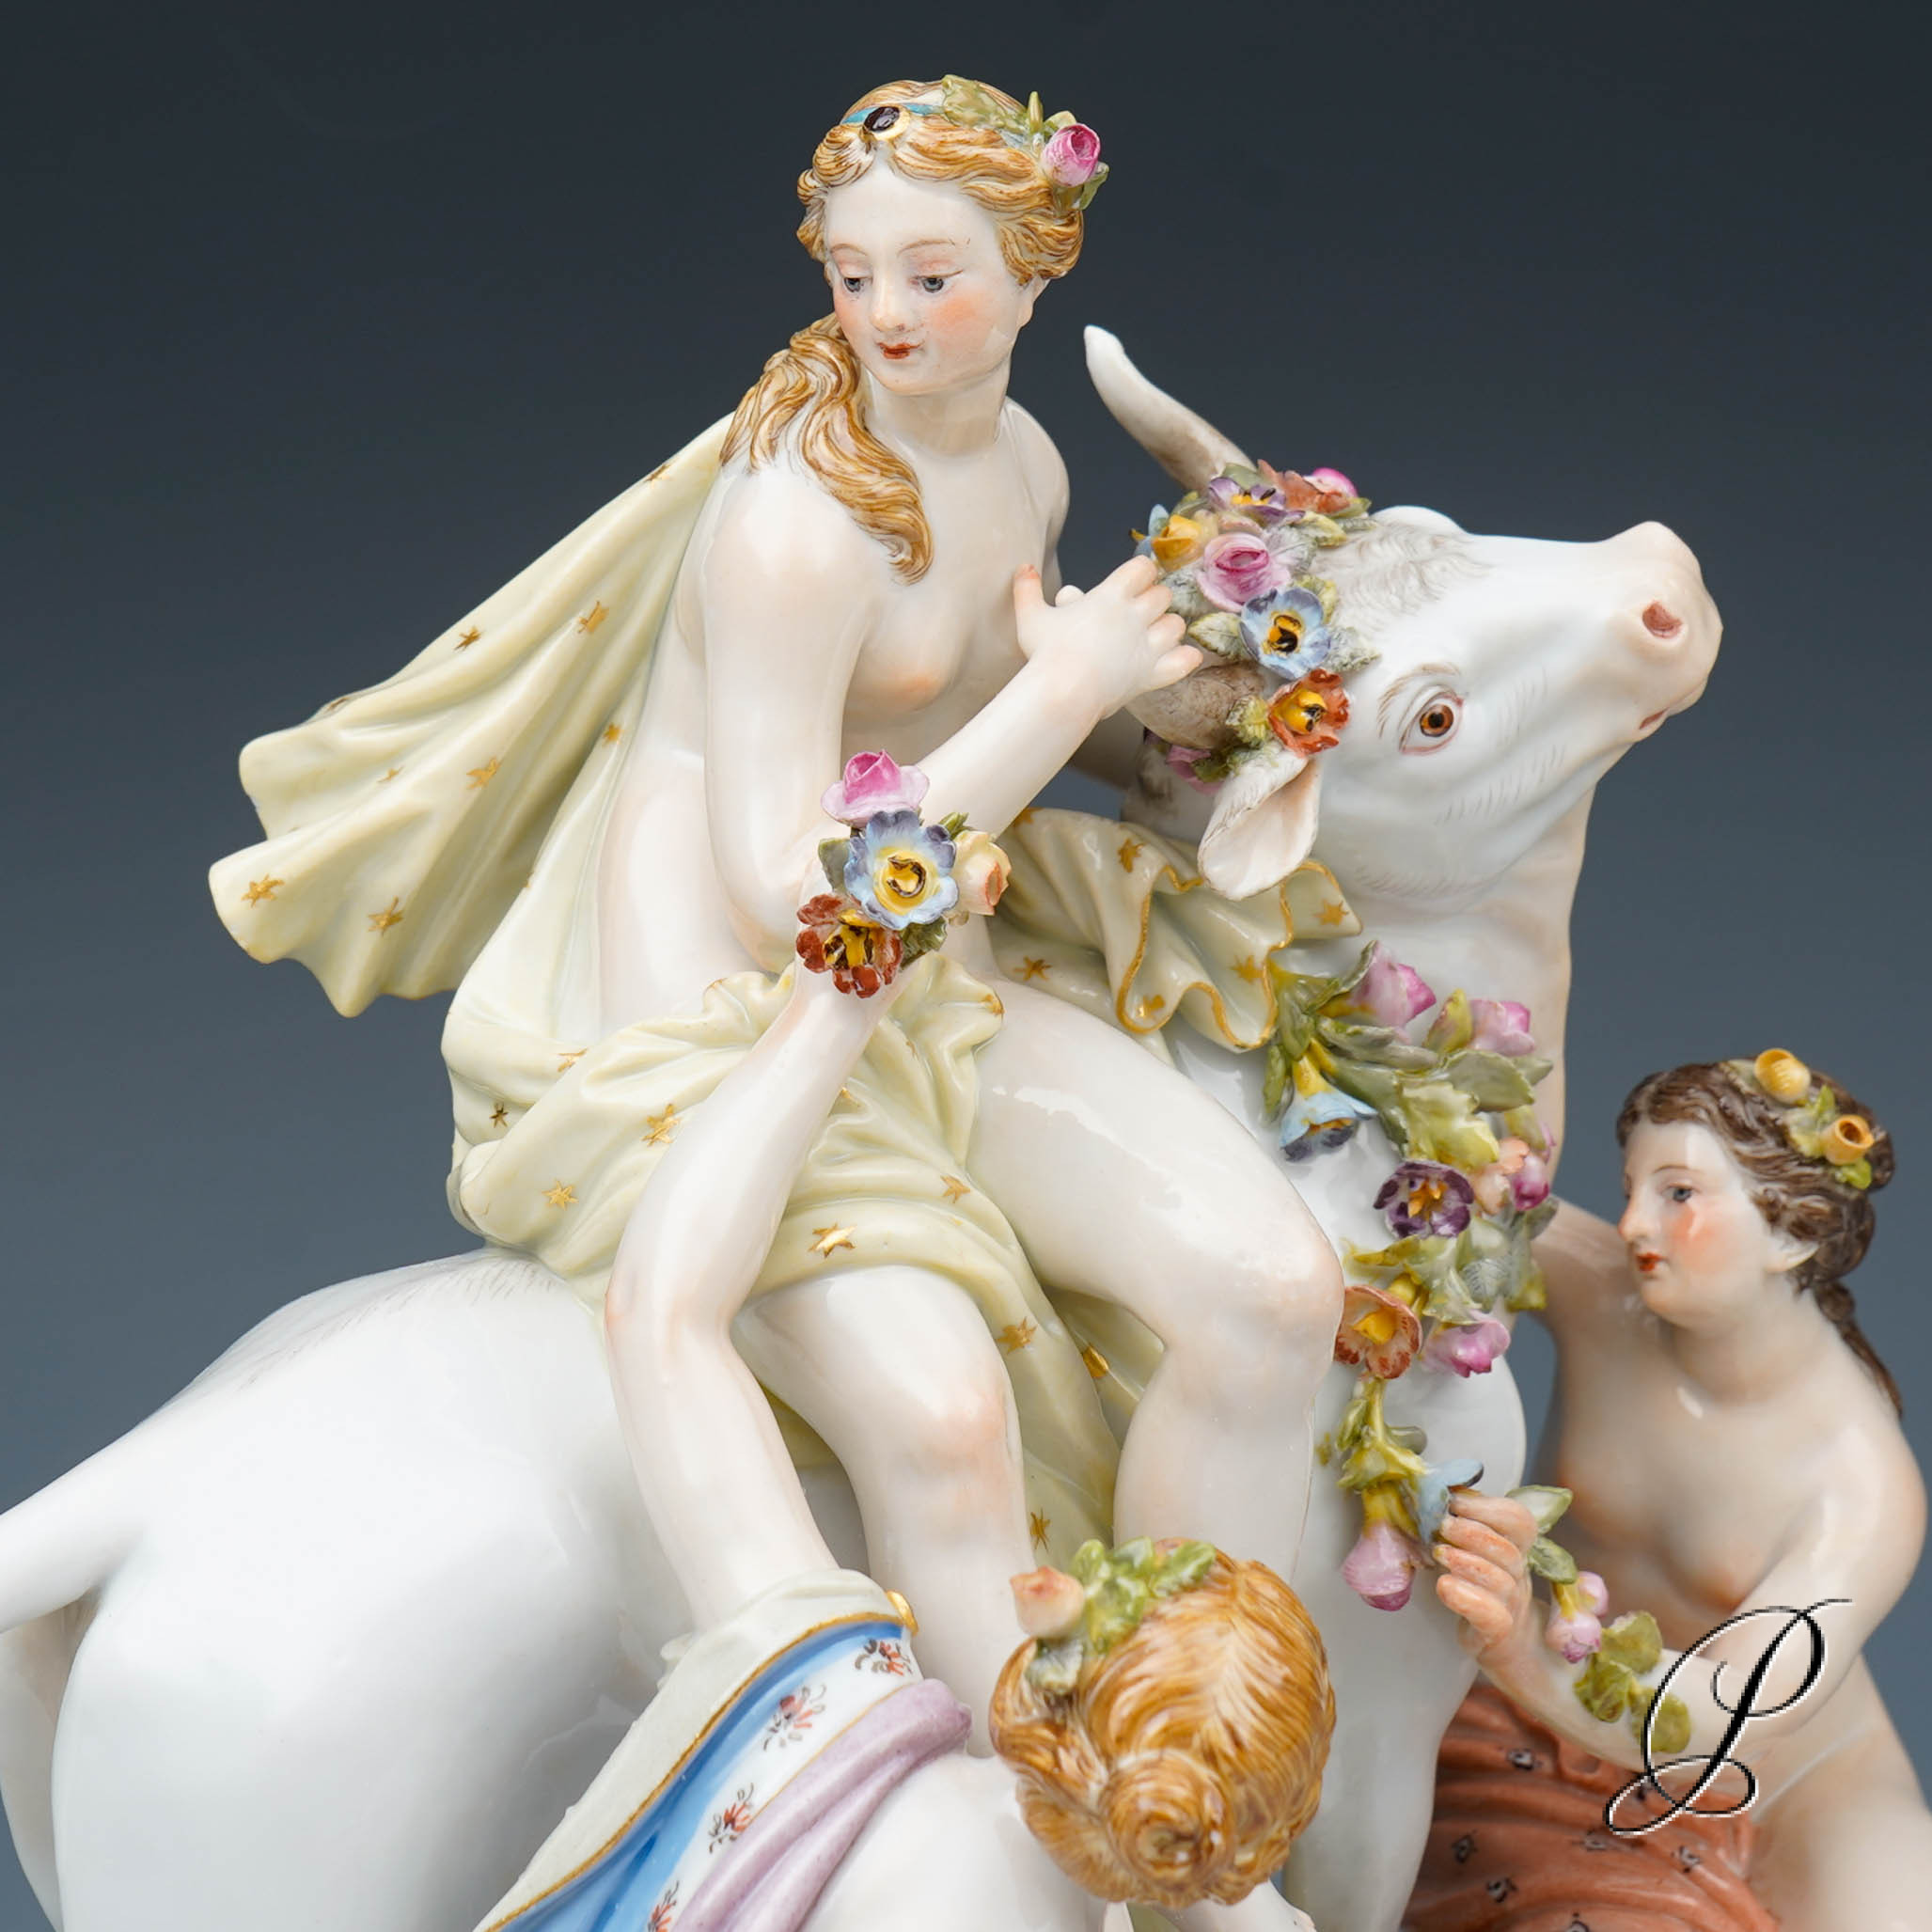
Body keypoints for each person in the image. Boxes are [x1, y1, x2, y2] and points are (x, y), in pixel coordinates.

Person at [209, 75, 1342, 1736]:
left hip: (926, 986)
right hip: (734, 1019)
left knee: (1273, 1288)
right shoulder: (798, 528)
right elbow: (783, 883)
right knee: (942, 1422)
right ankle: (1046, 1802)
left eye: (933, 275)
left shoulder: (1021, 463)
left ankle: (1200, 1746)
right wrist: (1067, 691)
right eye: (852, 273)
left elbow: (1016, 708)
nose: (887, 314)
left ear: (1036, 269)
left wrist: (1214, 697)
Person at [472, 906, 1327, 1932]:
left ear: (1059, 1680)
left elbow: (661, 1320)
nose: (1057, 1571)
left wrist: (823, 1024)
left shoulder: (831, 1717)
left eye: (1095, 1590)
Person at [1412, 1051, 1932, 1929]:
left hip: (1781, 1772)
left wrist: (1528, 1644)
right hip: (1532, 1717)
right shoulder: (1607, 1297)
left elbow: (1733, 1709)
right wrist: (1477, 1177)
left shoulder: (1859, 1483)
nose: (1629, 1224)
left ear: (1791, 1233)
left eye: (1677, 1194)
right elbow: (1483, 1211)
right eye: (1630, 1189)